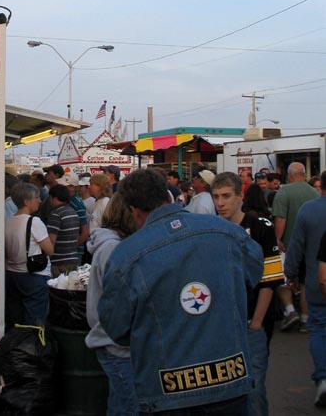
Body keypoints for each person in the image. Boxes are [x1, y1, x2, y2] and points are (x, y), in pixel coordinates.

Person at [98, 168, 263, 415]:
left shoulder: (126, 255)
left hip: (167, 392)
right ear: (167, 195)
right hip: (230, 380)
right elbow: (253, 273)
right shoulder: (227, 232)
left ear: (133, 210)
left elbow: (116, 327)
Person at [212, 172, 284, 416]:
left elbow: (270, 280)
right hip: (222, 323)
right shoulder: (211, 229)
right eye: (216, 197)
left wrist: (255, 324)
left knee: (253, 390)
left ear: (240, 197)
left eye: (226, 196)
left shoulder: (261, 226)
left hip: (252, 321)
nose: (220, 203)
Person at [85, 193, 139, 416]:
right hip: (116, 344)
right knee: (130, 406)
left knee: (120, 403)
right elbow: (120, 299)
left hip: (114, 340)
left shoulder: (111, 244)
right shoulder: (112, 248)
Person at [285, 170, 326, 407]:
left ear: (321, 187)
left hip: (316, 283)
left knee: (319, 329)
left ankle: (323, 380)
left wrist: (290, 273)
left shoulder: (308, 210)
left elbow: (296, 245)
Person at [272, 162, 319, 332]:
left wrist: (277, 239)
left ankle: (291, 311)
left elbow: (281, 219)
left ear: (290, 175)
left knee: (282, 277)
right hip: (312, 245)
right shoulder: (314, 192)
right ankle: (306, 319)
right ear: (303, 175)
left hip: (289, 245)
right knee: (305, 282)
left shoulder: (284, 191)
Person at [4, 182, 54, 329]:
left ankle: (17, 346)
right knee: (35, 320)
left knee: (16, 318)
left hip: (12, 275)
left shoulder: (7, 222)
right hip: (34, 276)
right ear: (27, 201)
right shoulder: (34, 222)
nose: (40, 201)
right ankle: (33, 347)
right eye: (37, 198)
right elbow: (50, 250)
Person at [46, 184, 80, 277]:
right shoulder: (73, 212)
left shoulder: (56, 214)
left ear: (54, 198)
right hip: (73, 259)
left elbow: (51, 240)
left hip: (59, 262)